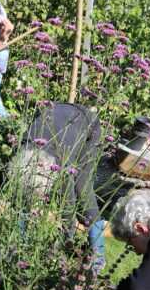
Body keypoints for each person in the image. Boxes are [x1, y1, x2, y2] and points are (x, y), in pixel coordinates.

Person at [10, 103, 106, 271]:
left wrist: (67, 236)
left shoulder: (61, 163)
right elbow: (18, 197)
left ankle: (98, 257)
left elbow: (67, 205)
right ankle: (20, 247)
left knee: (83, 188)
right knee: (22, 196)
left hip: (86, 123)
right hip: (56, 117)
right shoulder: (22, 153)